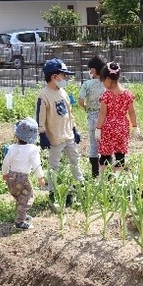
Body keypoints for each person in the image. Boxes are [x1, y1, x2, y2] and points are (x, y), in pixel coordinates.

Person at [36, 58, 84, 207]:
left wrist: (74, 129)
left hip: (68, 135)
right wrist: (42, 134)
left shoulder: (63, 92)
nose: (65, 78)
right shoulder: (43, 95)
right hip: (55, 138)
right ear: (54, 76)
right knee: (54, 165)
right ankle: (52, 192)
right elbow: (40, 117)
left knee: (75, 160)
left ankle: (81, 185)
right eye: (63, 75)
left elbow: (69, 113)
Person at [95, 61, 139, 173]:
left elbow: (102, 113)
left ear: (108, 80)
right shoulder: (127, 94)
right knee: (120, 155)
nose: (103, 84)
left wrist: (98, 129)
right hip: (122, 128)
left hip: (108, 129)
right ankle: (117, 178)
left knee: (105, 155)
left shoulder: (106, 95)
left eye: (103, 81)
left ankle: (102, 179)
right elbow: (132, 112)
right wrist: (135, 127)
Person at [2, 118, 45, 230]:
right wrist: (40, 177)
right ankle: (20, 222)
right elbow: (36, 165)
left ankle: (22, 215)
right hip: (22, 179)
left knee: (19, 198)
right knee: (26, 199)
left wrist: (4, 173)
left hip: (11, 178)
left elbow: (6, 162)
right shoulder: (32, 149)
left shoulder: (12, 148)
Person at [78, 55, 107, 178]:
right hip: (104, 117)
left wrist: (86, 108)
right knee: (105, 145)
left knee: (93, 145)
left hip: (92, 116)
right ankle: (105, 173)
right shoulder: (107, 83)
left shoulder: (87, 84)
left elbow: (80, 100)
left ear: (93, 70)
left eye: (90, 69)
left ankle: (95, 174)